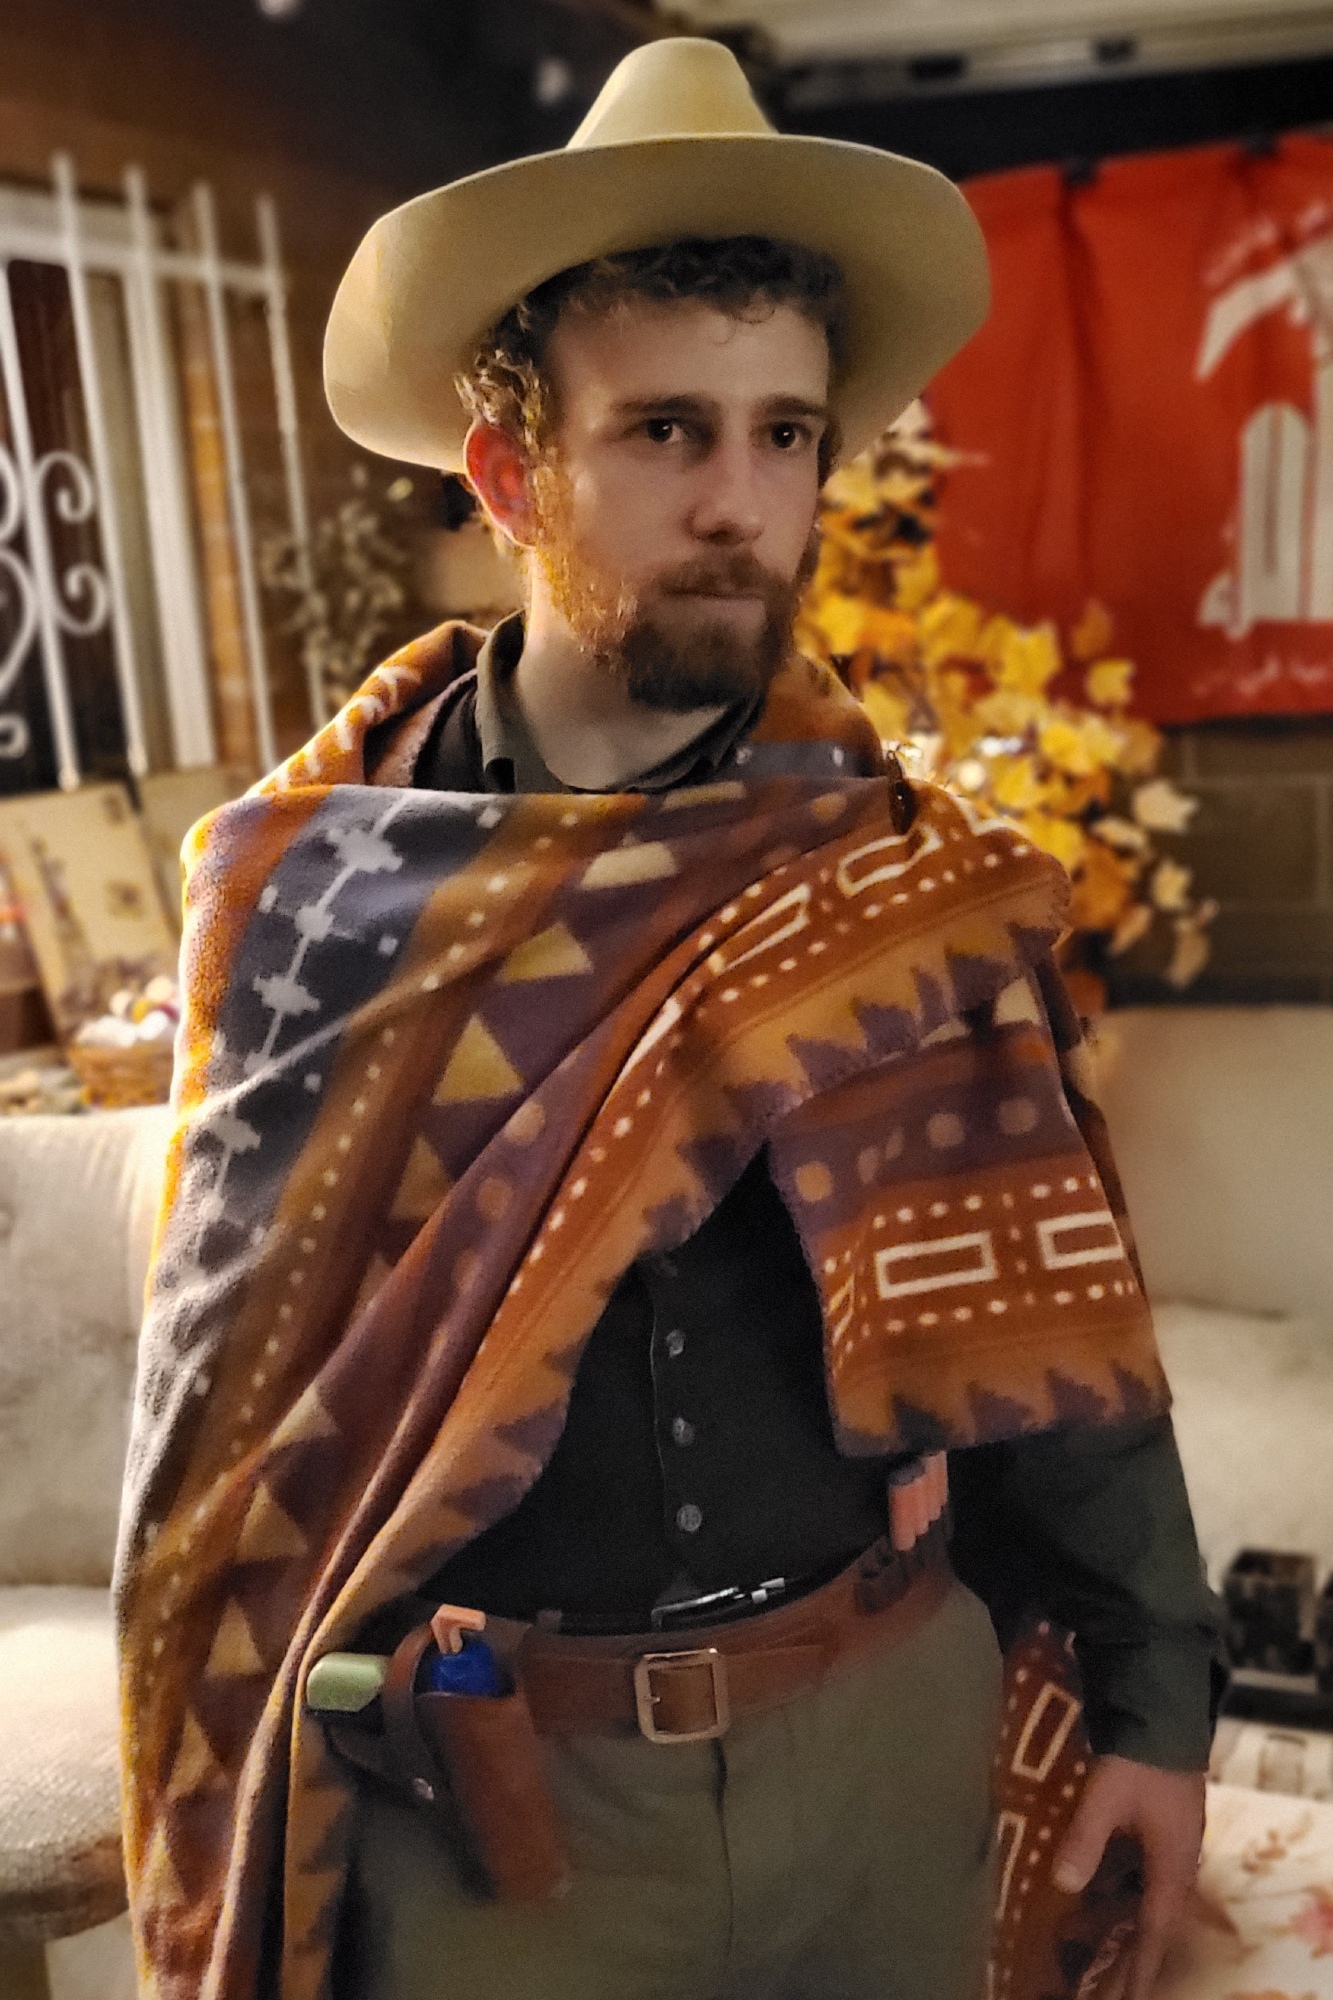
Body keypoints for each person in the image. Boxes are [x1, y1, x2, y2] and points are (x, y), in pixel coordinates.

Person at [115, 37, 1219, 2000]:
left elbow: (1058, 1330)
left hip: (879, 1750)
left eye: (784, 434)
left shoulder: (903, 875)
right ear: (509, 473)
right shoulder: (307, 903)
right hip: (497, 1829)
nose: (738, 502)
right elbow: (227, 1429)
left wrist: (1155, 1703)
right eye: (664, 433)